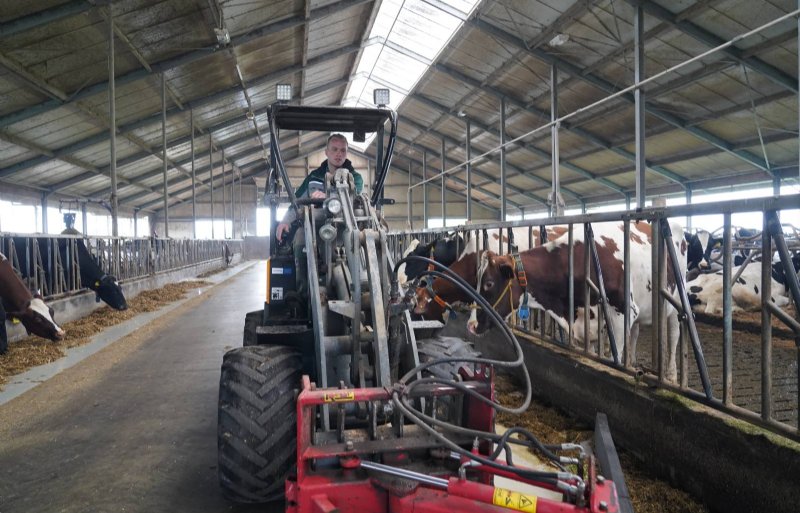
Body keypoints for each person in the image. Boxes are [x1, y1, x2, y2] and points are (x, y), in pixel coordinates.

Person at [275, 133, 363, 242]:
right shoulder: (313, 177)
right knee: (299, 239)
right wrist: (285, 221)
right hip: (315, 227)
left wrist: (328, 197)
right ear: (326, 152)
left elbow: (354, 198)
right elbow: (297, 201)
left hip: (346, 228)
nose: (339, 154)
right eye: (334, 149)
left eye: (342, 150)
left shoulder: (355, 178)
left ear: (346, 153)